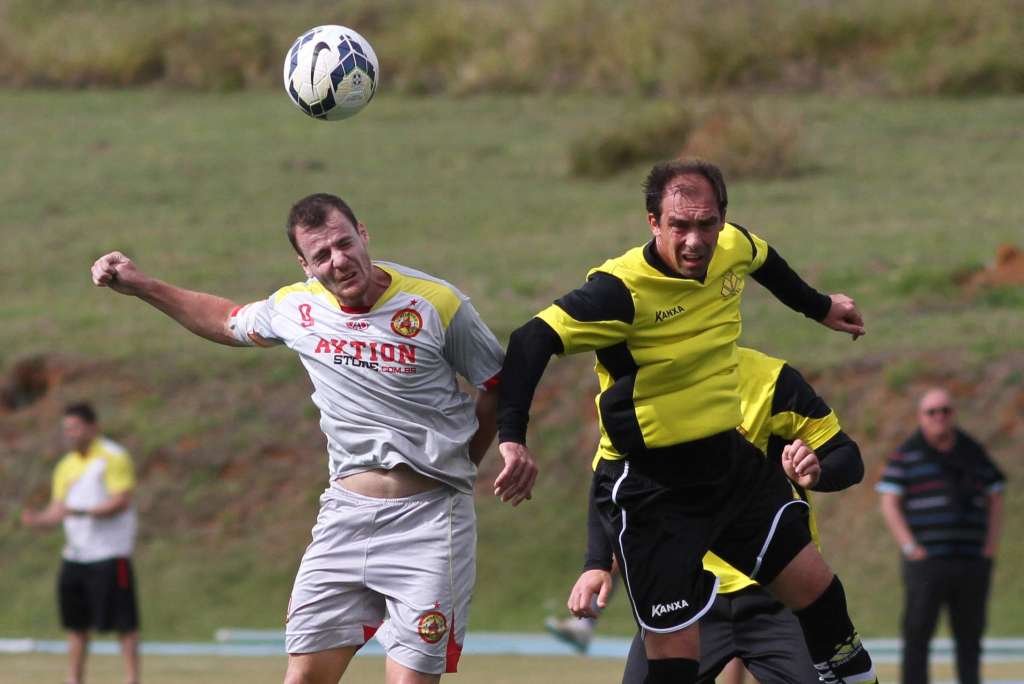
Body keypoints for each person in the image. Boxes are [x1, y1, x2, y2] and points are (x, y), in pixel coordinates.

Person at [90, 193, 533, 684]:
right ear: (305, 264)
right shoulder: (296, 306)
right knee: (302, 678)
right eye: (321, 255)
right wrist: (142, 285)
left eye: (344, 243)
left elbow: (497, 384)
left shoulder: (436, 303)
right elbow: (226, 319)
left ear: (363, 234)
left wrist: (468, 458)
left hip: (429, 525)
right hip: (344, 516)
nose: (339, 260)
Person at [497, 159, 876, 684]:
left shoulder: (732, 247)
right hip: (653, 489)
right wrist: (513, 438)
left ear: (723, 219)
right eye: (679, 226)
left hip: (726, 466)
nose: (694, 240)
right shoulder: (618, 291)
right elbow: (529, 340)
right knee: (675, 663)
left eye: (706, 224)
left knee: (819, 590)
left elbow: (764, 261)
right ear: (653, 222)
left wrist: (820, 308)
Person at [567, 346, 865, 684]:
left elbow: (846, 455)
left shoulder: (770, 379)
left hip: (774, 591)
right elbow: (608, 478)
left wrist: (817, 470)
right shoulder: (645, 386)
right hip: (688, 597)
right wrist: (596, 563)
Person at [877, 388, 1006, 684]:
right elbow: (889, 501)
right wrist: (910, 547)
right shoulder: (907, 453)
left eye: (945, 410)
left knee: (970, 637)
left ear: (953, 413)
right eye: (932, 412)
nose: (939, 417)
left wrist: (990, 547)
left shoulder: (973, 452)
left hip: (971, 561)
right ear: (921, 417)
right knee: (918, 633)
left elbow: (996, 495)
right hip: (926, 562)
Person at [21, 402, 141, 684]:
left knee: (124, 624)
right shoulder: (66, 465)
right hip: (76, 555)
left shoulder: (113, 456)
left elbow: (120, 501)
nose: (70, 433)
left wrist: (81, 512)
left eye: (75, 427)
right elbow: (57, 509)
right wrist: (38, 520)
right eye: (66, 429)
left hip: (111, 554)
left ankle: (132, 679)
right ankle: (74, 679)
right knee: (75, 625)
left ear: (92, 427)